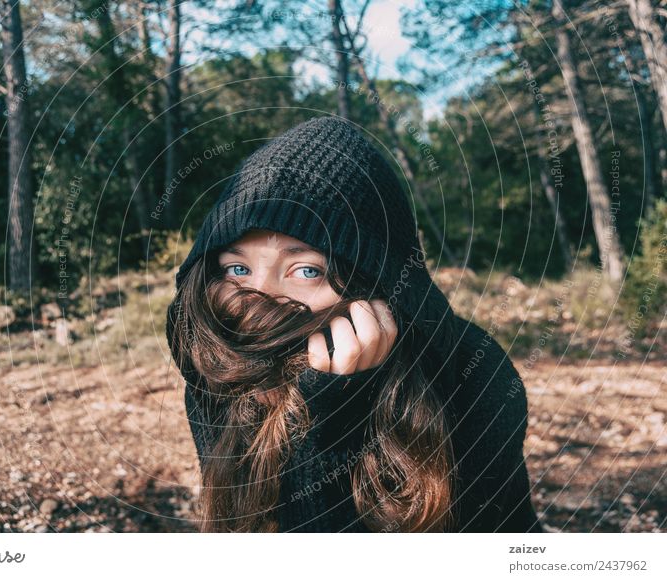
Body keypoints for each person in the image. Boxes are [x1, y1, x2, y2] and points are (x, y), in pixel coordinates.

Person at [165, 116, 544, 533]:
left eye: (307, 270)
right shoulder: (219, 374)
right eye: (238, 268)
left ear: (373, 284)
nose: (261, 299)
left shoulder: (474, 375)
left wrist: (334, 416)